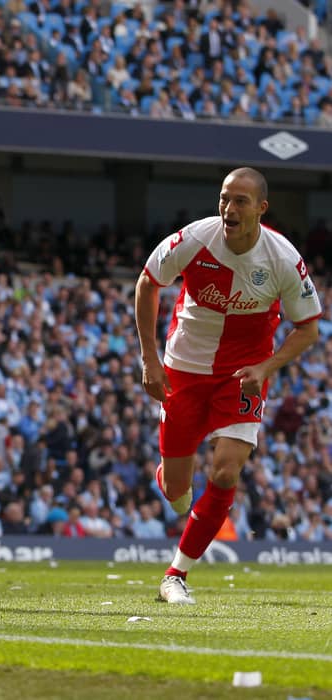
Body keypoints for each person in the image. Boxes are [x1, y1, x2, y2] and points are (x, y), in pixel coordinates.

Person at [135, 167, 321, 605]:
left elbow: (308, 327)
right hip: (184, 366)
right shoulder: (195, 239)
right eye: (224, 198)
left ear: (261, 208)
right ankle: (172, 482)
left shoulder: (282, 259)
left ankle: (175, 575)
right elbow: (148, 283)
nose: (228, 208)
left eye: (240, 201)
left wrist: (267, 366)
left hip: (243, 374)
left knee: (225, 470)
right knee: (178, 492)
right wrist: (150, 359)